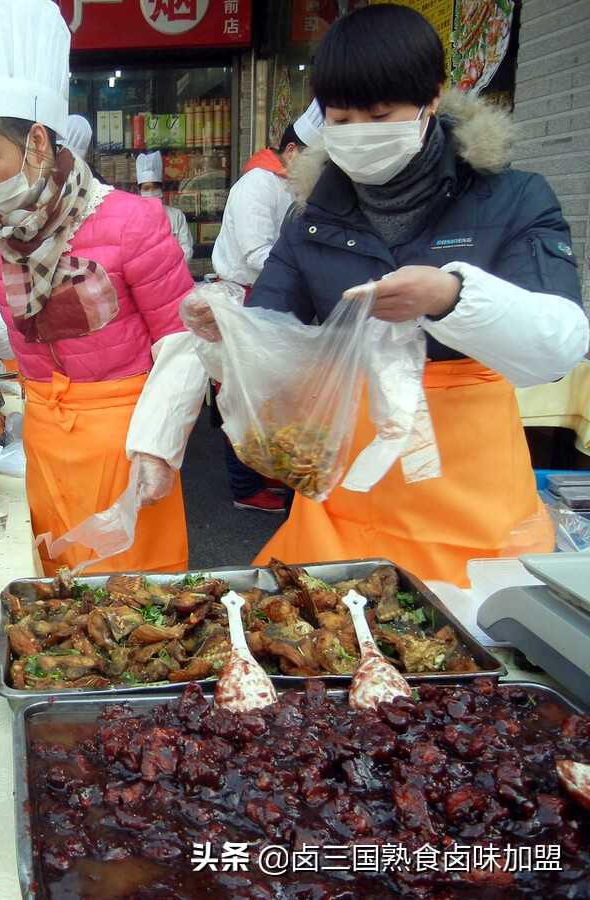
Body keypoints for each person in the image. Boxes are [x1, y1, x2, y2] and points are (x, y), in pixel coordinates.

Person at [186, 3, 587, 586]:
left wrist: (453, 297)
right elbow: (274, 332)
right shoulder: (311, 217)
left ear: (434, 96)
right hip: (345, 487)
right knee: (323, 640)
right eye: (340, 121)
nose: (357, 135)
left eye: (378, 115)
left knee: (464, 655)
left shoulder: (513, 198)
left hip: (467, 490)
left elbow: (560, 346)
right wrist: (230, 331)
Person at [0, 0, 206, 575]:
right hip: (46, 440)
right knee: (55, 592)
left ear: (40, 144)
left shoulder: (132, 221)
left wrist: (159, 443)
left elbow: (182, 342)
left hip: (126, 437)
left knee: (131, 603)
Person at [208, 121, 308, 514]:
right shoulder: (257, 185)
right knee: (241, 398)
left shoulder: (286, 183)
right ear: (293, 152)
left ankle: (265, 470)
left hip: (268, 299)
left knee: (271, 398)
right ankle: (245, 487)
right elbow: (256, 254)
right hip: (246, 300)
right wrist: (306, 272)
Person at [135, 150, 194, 265]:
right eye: (146, 188)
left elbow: (186, 247)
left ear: (161, 189)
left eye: (155, 187)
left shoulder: (176, 215)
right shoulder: (133, 218)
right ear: (139, 191)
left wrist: (171, 266)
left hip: (174, 272)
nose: (151, 192)